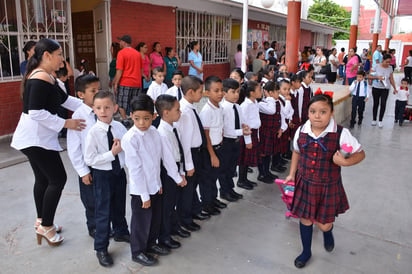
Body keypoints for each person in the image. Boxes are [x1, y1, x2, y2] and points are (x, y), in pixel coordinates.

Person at [11, 38, 85, 246]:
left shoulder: (50, 77)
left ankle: (42, 221)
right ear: (47, 56)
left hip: (38, 138)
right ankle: (46, 226)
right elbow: (35, 112)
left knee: (43, 179)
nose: (62, 59)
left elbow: (65, 100)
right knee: (57, 179)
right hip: (34, 139)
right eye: (60, 54)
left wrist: (91, 107)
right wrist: (65, 123)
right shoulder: (39, 78)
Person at [284, 94, 365, 269]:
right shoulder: (301, 130)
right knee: (305, 219)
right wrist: (292, 173)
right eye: (313, 111)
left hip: (328, 186)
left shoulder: (341, 134)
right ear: (308, 113)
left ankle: (328, 232)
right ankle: (306, 251)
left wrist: (345, 162)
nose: (317, 116)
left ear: (331, 113)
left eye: (323, 112)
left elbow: (360, 153)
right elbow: (297, 152)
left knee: (324, 223)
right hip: (305, 183)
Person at [121, 94, 185, 266]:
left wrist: (170, 180)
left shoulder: (155, 133)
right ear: (131, 115)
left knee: (155, 219)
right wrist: (144, 195)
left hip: (156, 186)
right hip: (140, 190)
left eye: (146, 118)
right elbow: (135, 170)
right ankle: (138, 251)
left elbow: (164, 159)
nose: (142, 123)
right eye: (137, 118)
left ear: (154, 116)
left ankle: (151, 244)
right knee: (141, 222)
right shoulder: (130, 138)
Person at [84, 91, 130, 267]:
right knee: (103, 211)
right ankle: (101, 248)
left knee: (119, 204)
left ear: (115, 108)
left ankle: (121, 231)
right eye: (98, 108)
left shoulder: (119, 127)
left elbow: (127, 146)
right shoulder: (93, 133)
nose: (103, 111)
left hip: (118, 172)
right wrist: (112, 153)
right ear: (94, 109)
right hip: (102, 175)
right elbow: (90, 159)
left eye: (107, 107)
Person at [67, 74, 100, 238]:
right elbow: (74, 148)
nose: (98, 93)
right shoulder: (78, 116)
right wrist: (83, 171)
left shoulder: (102, 110)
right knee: (91, 200)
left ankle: (111, 226)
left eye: (99, 90)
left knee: (106, 198)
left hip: (104, 164)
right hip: (89, 167)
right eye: (93, 91)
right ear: (81, 95)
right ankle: (94, 226)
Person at [155, 95, 187, 250]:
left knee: (172, 204)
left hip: (175, 169)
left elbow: (178, 153)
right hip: (168, 174)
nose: (180, 112)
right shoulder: (162, 132)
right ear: (166, 113)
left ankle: (173, 228)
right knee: (166, 208)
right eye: (177, 110)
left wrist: (181, 171)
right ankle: (164, 237)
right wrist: (177, 177)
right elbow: (168, 159)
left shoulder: (173, 127)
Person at [175, 75, 206, 232]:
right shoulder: (184, 111)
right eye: (200, 91)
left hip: (196, 152)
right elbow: (185, 141)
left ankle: (194, 211)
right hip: (189, 155)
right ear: (190, 92)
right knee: (187, 190)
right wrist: (188, 164)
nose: (202, 94)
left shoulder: (191, 107)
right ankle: (185, 219)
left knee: (193, 187)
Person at [198, 76, 227, 215]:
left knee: (214, 176)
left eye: (221, 90)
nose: (220, 93)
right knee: (207, 179)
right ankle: (206, 203)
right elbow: (206, 135)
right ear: (207, 92)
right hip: (210, 150)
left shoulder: (220, 107)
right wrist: (212, 155)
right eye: (216, 91)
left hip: (219, 147)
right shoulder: (206, 111)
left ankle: (213, 199)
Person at [218, 78, 249, 201]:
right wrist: (242, 131)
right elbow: (227, 130)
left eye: (238, 91)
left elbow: (240, 122)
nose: (236, 95)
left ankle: (230, 189)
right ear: (224, 93)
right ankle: (224, 191)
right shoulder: (223, 108)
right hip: (227, 142)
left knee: (232, 168)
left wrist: (244, 126)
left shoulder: (237, 107)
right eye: (233, 92)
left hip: (236, 141)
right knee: (224, 168)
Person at [257, 81, 285, 183]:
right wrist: (269, 97)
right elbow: (271, 110)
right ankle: (261, 173)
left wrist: (281, 128)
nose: (278, 94)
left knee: (269, 154)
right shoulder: (262, 104)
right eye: (277, 92)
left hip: (274, 132)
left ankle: (267, 171)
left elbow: (281, 116)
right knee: (263, 154)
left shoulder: (277, 102)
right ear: (269, 92)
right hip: (265, 133)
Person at [237, 81, 263, 190]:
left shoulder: (255, 102)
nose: (261, 92)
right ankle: (241, 180)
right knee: (244, 159)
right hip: (247, 135)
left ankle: (245, 179)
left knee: (247, 159)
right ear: (252, 93)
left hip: (254, 133)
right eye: (259, 90)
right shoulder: (245, 105)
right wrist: (248, 141)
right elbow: (244, 124)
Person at [113, 35, 143, 125]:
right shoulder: (138, 54)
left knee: (122, 102)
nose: (119, 43)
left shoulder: (121, 53)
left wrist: (115, 83)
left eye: (120, 41)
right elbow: (141, 70)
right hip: (137, 83)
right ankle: (136, 119)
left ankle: (125, 120)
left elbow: (119, 70)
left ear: (124, 42)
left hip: (125, 82)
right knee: (135, 103)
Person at [368, 54, 397, 128]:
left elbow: (391, 79)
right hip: (376, 87)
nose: (388, 64)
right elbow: (369, 76)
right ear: (383, 60)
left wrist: (395, 88)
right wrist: (377, 77)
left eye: (389, 62)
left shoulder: (390, 68)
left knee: (383, 104)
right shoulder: (376, 66)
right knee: (376, 103)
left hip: (385, 88)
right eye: (386, 62)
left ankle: (380, 120)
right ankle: (374, 119)